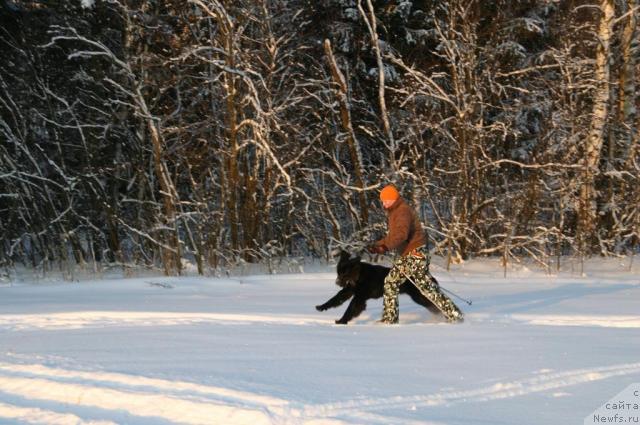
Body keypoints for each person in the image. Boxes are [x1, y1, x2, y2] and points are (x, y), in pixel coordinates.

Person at [368, 184, 464, 324]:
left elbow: (401, 235)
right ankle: (454, 315)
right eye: (383, 200)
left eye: (386, 200)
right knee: (426, 287)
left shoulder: (402, 211)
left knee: (391, 281)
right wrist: (377, 245)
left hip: (414, 254)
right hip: (416, 253)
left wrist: (385, 247)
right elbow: (393, 236)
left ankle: (390, 319)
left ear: (394, 199)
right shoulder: (395, 212)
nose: (384, 203)